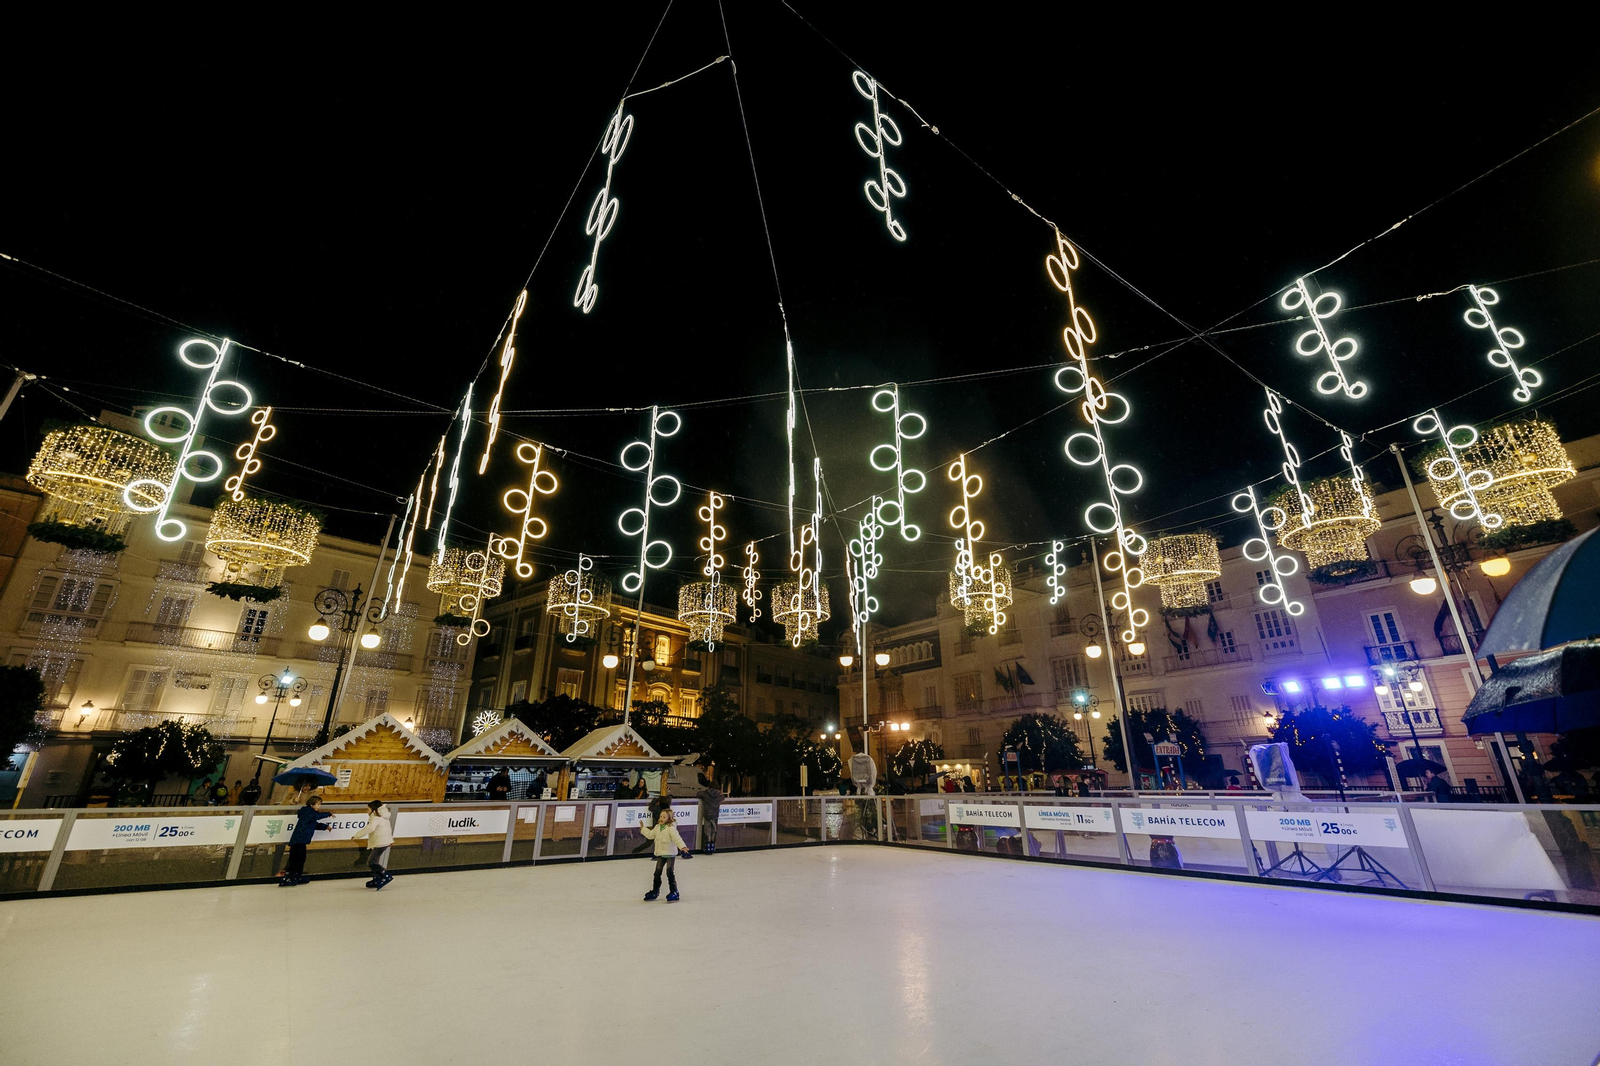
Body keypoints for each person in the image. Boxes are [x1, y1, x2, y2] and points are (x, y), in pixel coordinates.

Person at [639, 807, 690, 902]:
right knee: (657, 873)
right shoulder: (657, 827)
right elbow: (650, 835)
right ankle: (655, 891)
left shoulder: (671, 829)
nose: (661, 818)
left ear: (669, 819)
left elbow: (677, 838)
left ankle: (674, 892)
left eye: (664, 817)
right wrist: (643, 829)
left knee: (669, 872)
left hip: (670, 854)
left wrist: (683, 847)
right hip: (661, 854)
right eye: (661, 816)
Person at [280, 795, 332, 886]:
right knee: (298, 859)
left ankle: (296, 875)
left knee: (299, 858)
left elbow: (314, 824)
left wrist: (325, 827)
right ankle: (293, 876)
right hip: (299, 840)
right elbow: (316, 816)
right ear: (312, 804)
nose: (319, 806)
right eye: (318, 804)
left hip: (301, 840)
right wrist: (328, 814)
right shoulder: (308, 812)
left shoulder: (308, 814)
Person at [350, 799, 395, 889]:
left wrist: (356, 836)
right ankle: (377, 877)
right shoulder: (382, 817)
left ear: (373, 810)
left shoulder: (376, 817)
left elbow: (369, 828)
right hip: (383, 841)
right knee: (374, 860)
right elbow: (387, 829)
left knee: (372, 862)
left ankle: (385, 875)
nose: (367, 812)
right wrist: (390, 840)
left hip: (381, 842)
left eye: (368, 810)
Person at [696, 774, 724, 855]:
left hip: (707, 814)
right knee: (714, 830)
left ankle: (707, 846)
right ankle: (712, 846)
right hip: (715, 815)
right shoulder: (719, 795)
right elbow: (723, 798)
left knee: (707, 830)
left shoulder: (705, 793)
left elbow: (698, 794)